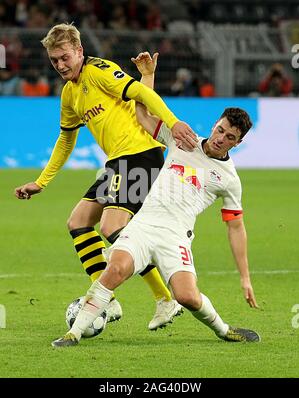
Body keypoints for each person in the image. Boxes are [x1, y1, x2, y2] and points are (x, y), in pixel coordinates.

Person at [52, 52, 260, 347]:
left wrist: (245, 278)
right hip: (143, 227)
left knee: (186, 296)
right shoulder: (182, 139)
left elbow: (236, 227)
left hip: (176, 237)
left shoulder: (228, 179)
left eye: (229, 137)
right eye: (220, 129)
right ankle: (73, 334)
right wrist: (147, 76)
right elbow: (142, 115)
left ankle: (224, 330)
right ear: (216, 123)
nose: (220, 137)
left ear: (238, 143)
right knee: (115, 270)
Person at [15, 24, 198, 330]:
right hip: (117, 163)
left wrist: (173, 122)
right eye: (54, 60)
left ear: (79, 52)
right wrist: (41, 182)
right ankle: (109, 302)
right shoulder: (69, 94)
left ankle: (165, 298)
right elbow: (65, 140)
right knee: (78, 222)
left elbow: (140, 93)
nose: (60, 65)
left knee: (113, 227)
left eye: (64, 57)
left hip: (140, 155)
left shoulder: (100, 71)